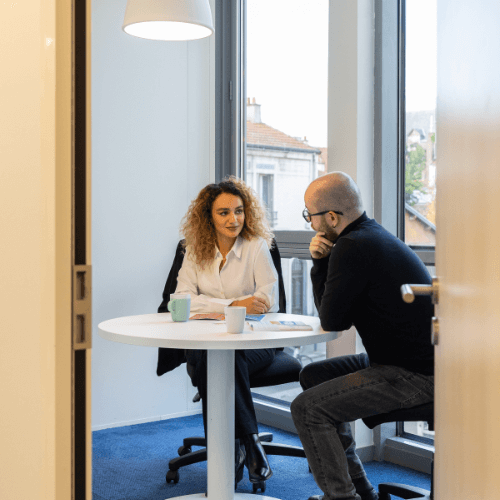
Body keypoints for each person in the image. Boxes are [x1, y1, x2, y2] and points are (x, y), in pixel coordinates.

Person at [290, 172, 435, 500]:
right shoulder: (370, 235)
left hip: (416, 374)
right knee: (314, 374)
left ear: (330, 217)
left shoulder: (352, 246)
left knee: (307, 409)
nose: (310, 226)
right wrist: (322, 263)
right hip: (402, 361)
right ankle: (361, 490)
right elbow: (337, 315)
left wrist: (319, 263)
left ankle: (342, 497)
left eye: (309, 216)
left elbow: (331, 320)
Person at [172, 176, 279, 486]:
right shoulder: (195, 250)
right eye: (223, 212)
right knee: (213, 357)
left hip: (254, 342)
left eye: (239, 211)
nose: (234, 219)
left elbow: (265, 303)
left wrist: (210, 305)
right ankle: (250, 444)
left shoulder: (257, 247)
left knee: (220, 361)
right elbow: (180, 300)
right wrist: (235, 303)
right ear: (208, 216)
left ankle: (239, 448)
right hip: (207, 341)